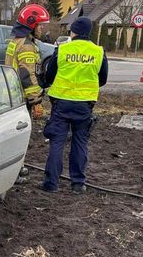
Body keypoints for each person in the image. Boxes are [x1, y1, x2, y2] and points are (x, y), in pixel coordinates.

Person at [41, 17, 108, 194]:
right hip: (85, 105)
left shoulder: (62, 49)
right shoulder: (98, 52)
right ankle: (78, 183)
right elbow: (103, 79)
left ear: (74, 32)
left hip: (61, 103)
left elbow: (50, 75)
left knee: (57, 142)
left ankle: (51, 184)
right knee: (80, 142)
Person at [4, 3, 50, 119]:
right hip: (21, 97)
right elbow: (27, 75)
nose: (42, 28)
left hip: (11, 94)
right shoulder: (27, 46)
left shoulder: (16, 41)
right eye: (40, 25)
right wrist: (36, 100)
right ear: (32, 25)